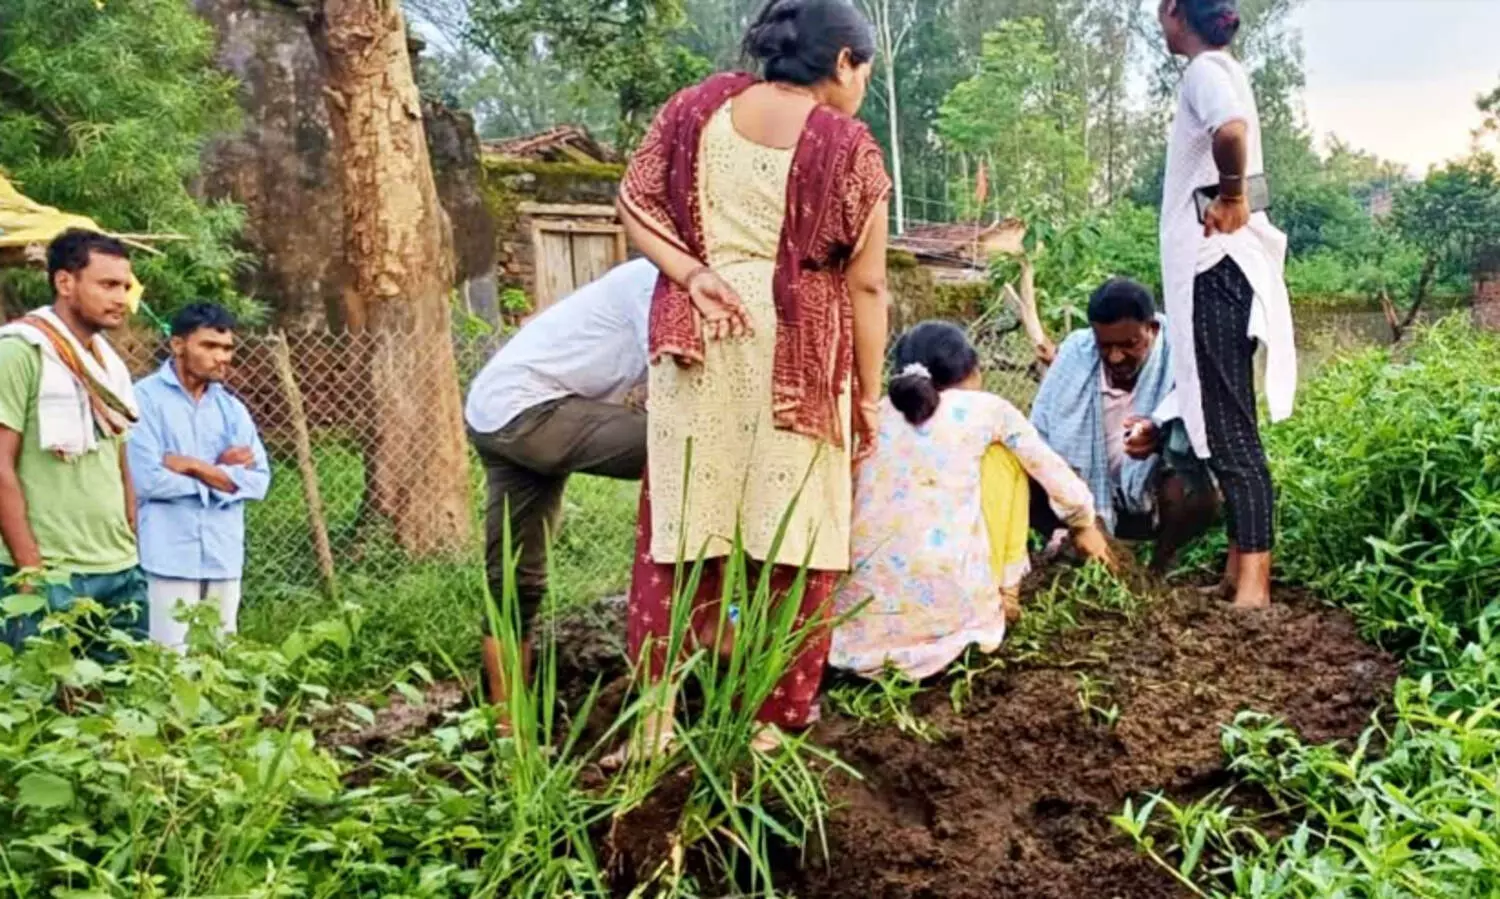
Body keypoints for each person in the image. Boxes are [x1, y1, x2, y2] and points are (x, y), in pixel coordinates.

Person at [618, 0, 893, 753]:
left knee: (681, 528)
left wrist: (693, 271)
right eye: (863, 71)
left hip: (699, 342)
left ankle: (655, 722)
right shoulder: (852, 148)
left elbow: (634, 201)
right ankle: (772, 726)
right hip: (798, 355)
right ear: (843, 63)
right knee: (797, 537)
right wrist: (868, 396)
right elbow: (867, 287)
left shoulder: (695, 108)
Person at [831, 322, 1108, 680]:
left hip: (854, 627)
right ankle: (1006, 594)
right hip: (955, 622)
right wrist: (1083, 521)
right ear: (973, 368)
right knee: (1005, 459)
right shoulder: (988, 410)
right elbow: (1052, 472)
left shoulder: (871, 413)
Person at [465, 258, 656, 710]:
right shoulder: (653, 281)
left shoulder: (643, 279)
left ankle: (508, 731)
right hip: (530, 412)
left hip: (493, 413)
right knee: (688, 443)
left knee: (515, 583)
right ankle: (723, 610)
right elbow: (676, 384)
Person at [1158, 0, 1296, 609]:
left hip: (1216, 271)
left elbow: (1230, 131)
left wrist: (1232, 193)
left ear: (1173, 11)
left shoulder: (1203, 73)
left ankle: (1255, 587)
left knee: (1230, 429)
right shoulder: (1224, 69)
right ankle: (1239, 568)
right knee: (1228, 422)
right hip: (1224, 271)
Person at [0, 229, 144, 652]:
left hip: (116, 565)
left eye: (125, 285)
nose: (121, 297)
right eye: (107, 284)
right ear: (65, 283)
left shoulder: (108, 363)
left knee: (120, 704)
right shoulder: (19, 350)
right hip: (49, 570)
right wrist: (30, 569)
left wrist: (129, 533)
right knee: (40, 709)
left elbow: (119, 452)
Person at [1030, 278, 1219, 573]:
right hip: (1081, 496)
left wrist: (1159, 439)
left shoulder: (1182, 358)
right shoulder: (1074, 356)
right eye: (1105, 346)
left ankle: (1159, 565)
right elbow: (1039, 437)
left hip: (1146, 501)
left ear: (1152, 329)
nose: (1115, 357)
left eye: (1129, 345)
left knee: (1195, 489)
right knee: (1021, 474)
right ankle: (1072, 540)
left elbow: (1203, 434)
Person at [128, 303, 270, 652]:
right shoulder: (142, 400)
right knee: (168, 657)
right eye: (209, 346)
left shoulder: (232, 409)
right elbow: (148, 480)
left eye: (226, 348)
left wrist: (195, 466)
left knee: (221, 654)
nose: (221, 357)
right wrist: (224, 475)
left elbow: (259, 480)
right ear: (178, 345)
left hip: (223, 552)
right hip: (168, 552)